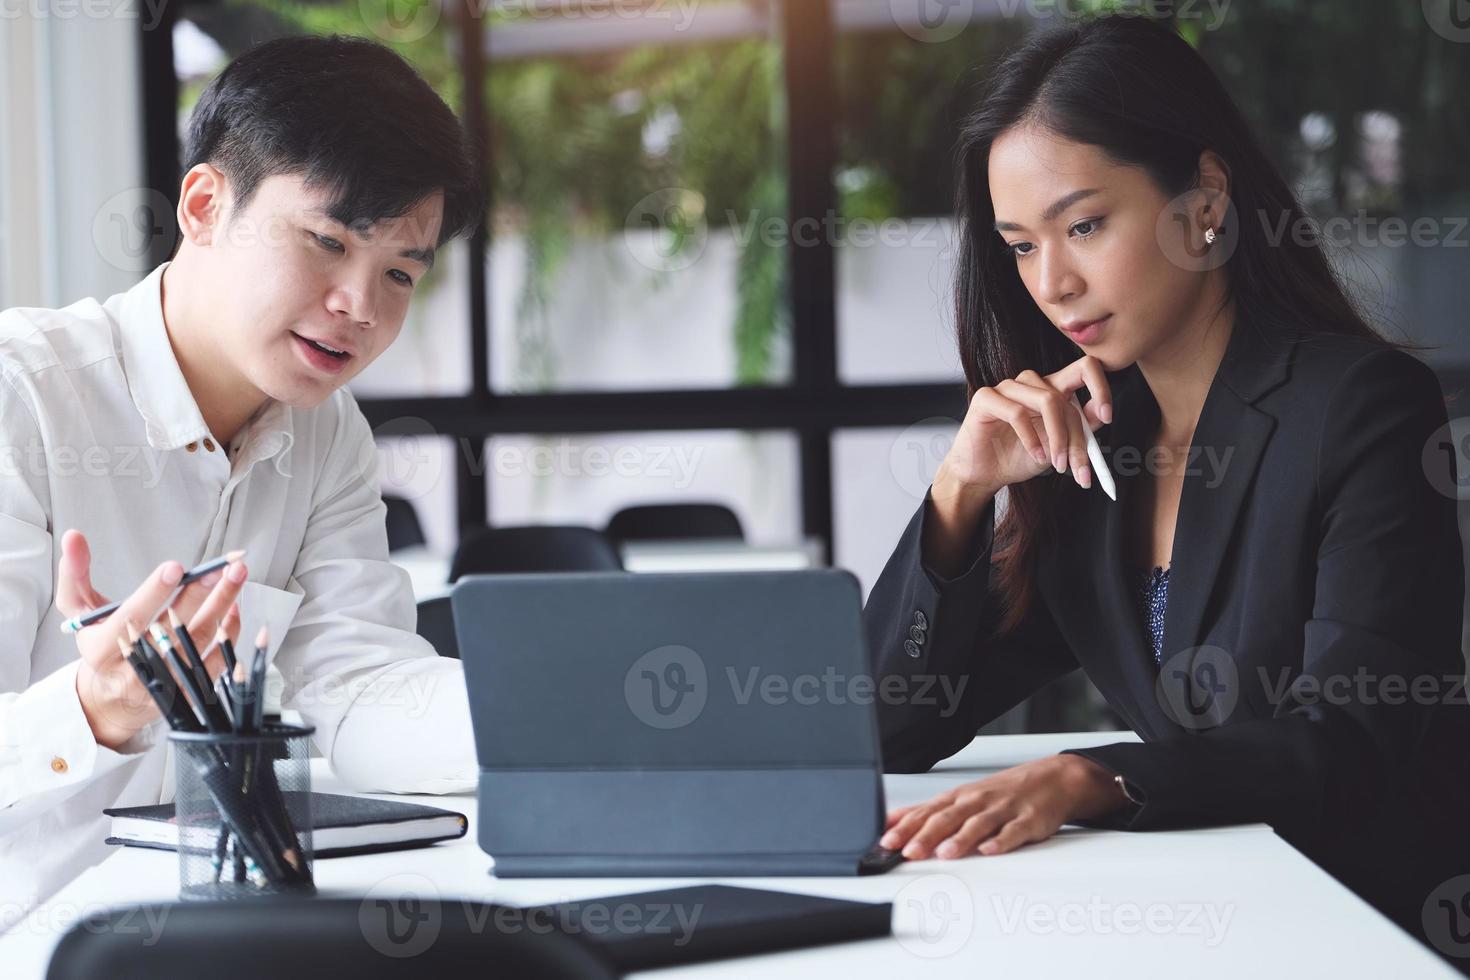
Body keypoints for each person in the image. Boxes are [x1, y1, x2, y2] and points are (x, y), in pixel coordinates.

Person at [863, 14, 1470, 970]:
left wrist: (1090, 774)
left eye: (1086, 224)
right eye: (1020, 246)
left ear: (1205, 201)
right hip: (1206, 918)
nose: (1053, 283)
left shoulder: (1360, 409)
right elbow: (899, 725)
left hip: (1374, 924)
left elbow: (1352, 741)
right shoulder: (1098, 449)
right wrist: (959, 492)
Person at [0, 34, 484, 918]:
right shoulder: (20, 398)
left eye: (400, 273)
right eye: (327, 242)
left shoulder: (326, 431)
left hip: (203, 931)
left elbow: (358, 686)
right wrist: (93, 708)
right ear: (203, 204)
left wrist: (563, 709)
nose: (360, 308)